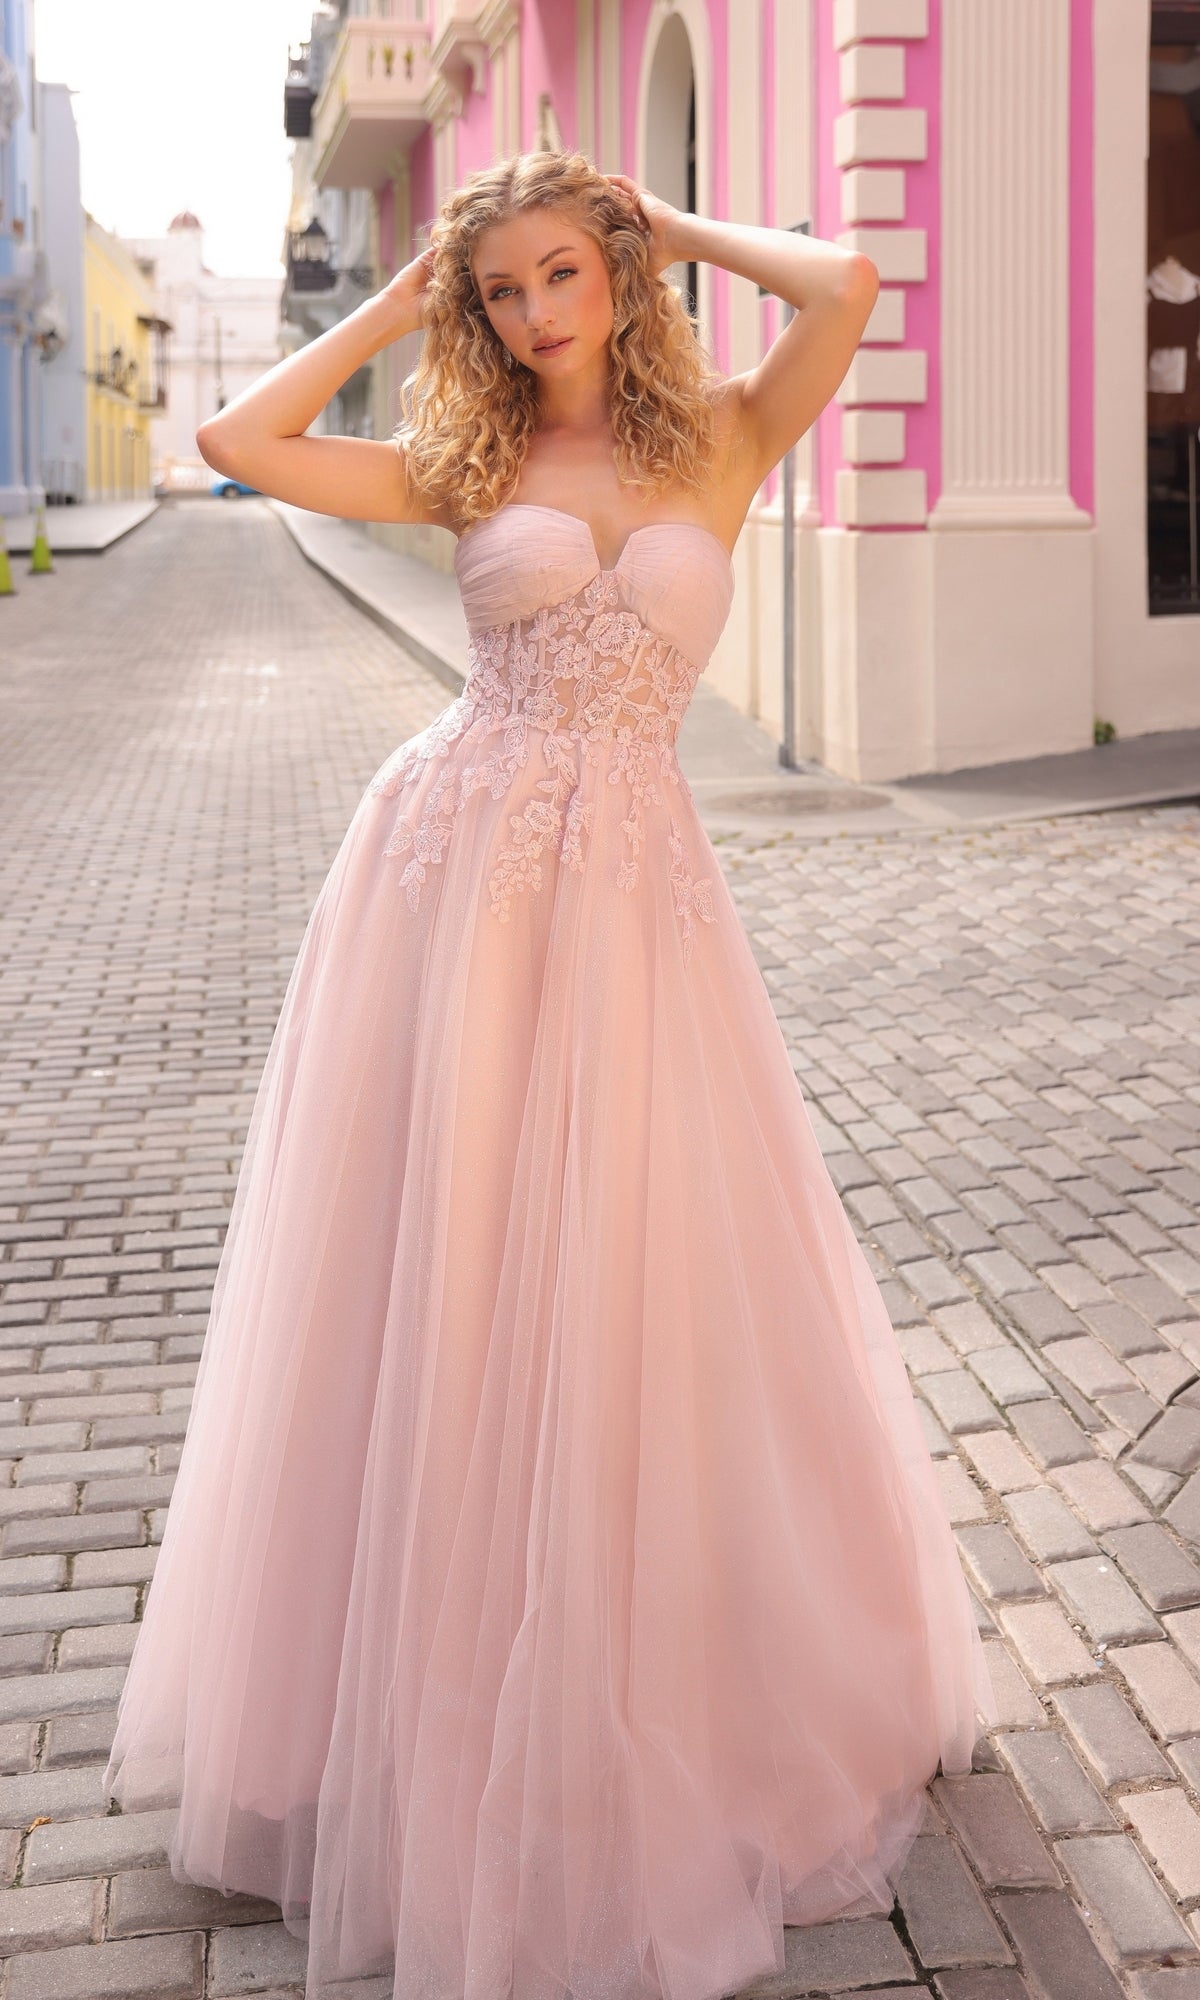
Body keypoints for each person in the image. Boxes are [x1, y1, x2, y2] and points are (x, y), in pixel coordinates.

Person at [101, 150, 997, 2000]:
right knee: (447, 1271)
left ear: (616, 269)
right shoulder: (467, 458)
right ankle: (414, 1705)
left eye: (560, 275)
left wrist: (664, 226)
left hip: (629, 904)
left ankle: (641, 1678)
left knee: (637, 1286)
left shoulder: (730, 434)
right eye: (504, 293)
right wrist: (416, 287)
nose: (535, 314)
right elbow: (244, 450)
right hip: (451, 889)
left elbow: (845, 283)